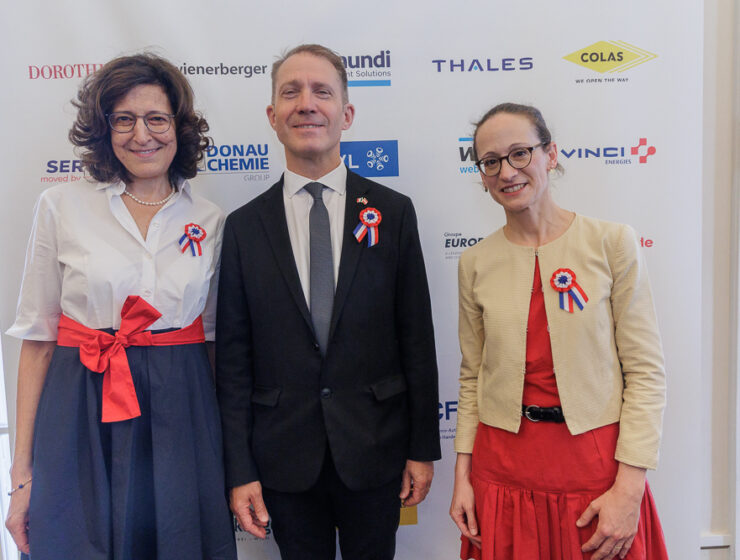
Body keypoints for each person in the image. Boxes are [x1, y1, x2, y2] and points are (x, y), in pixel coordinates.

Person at [5, 53, 237, 559]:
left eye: (156, 119)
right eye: (124, 120)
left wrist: (230, 459)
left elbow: (216, 345)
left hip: (182, 407)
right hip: (79, 405)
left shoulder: (210, 219)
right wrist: (21, 473)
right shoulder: (61, 206)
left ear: (179, 127)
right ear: (103, 128)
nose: (142, 135)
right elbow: (38, 341)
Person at [216, 44, 441, 560]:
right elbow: (232, 362)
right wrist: (239, 469)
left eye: (322, 91)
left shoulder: (393, 213)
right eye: (290, 92)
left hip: (375, 449)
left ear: (347, 113)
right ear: (272, 116)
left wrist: (422, 448)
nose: (306, 104)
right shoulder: (245, 227)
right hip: (283, 459)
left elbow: (417, 339)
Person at [449, 103, 668, 560]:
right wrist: (463, 478)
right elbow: (472, 378)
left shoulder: (612, 243)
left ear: (550, 154)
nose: (507, 172)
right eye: (491, 162)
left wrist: (629, 489)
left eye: (520, 153)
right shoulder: (474, 263)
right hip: (501, 473)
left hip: (595, 474)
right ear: (482, 176)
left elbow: (646, 374)